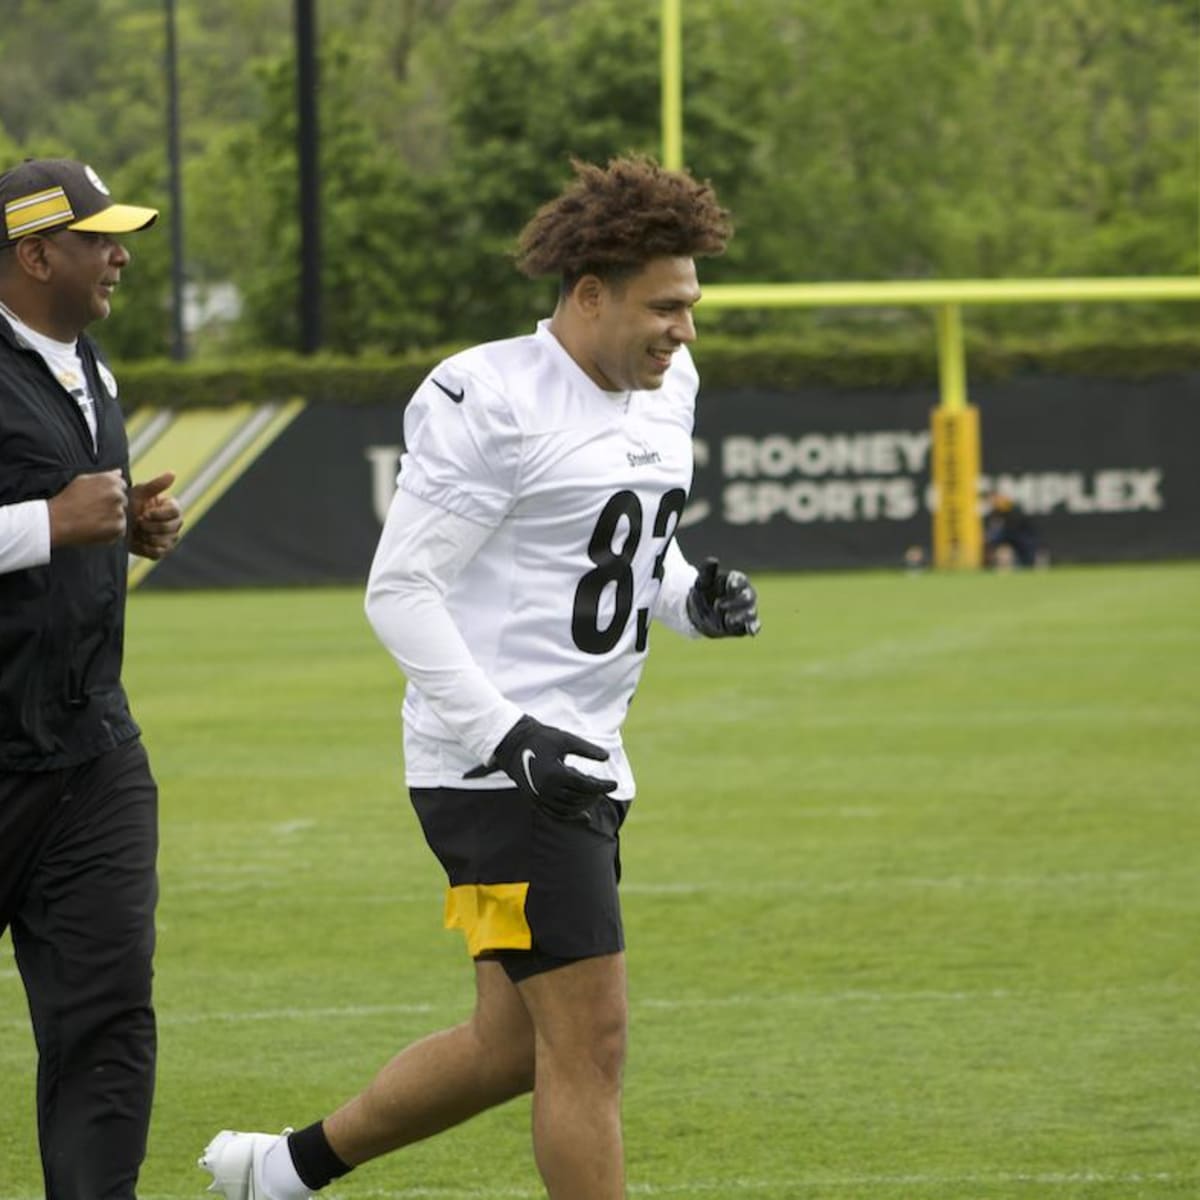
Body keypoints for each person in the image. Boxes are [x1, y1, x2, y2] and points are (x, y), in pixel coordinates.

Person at [199, 155, 760, 1200]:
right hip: (496, 780)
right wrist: (510, 738)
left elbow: (628, 549)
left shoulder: (669, 381)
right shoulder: (489, 396)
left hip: (580, 760)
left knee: (512, 1047)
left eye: (691, 305)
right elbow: (400, 592)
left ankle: (279, 1171)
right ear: (589, 295)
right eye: (666, 305)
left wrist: (690, 598)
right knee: (591, 1046)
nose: (685, 328)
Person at [0, 157, 183, 1200]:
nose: (120, 256)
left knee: (109, 1019)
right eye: (98, 239)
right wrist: (48, 525)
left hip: (87, 755)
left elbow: (73, 523)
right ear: (33, 254)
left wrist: (124, 534)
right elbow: (46, 515)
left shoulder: (87, 363)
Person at [983, 490, 1043, 569]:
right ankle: (1002, 566)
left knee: (1029, 554)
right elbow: (994, 531)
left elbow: (1019, 526)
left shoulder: (1013, 509)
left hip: (1022, 536)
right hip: (1008, 537)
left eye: (995, 499)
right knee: (999, 546)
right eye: (991, 500)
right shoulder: (994, 513)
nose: (994, 501)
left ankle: (1034, 563)